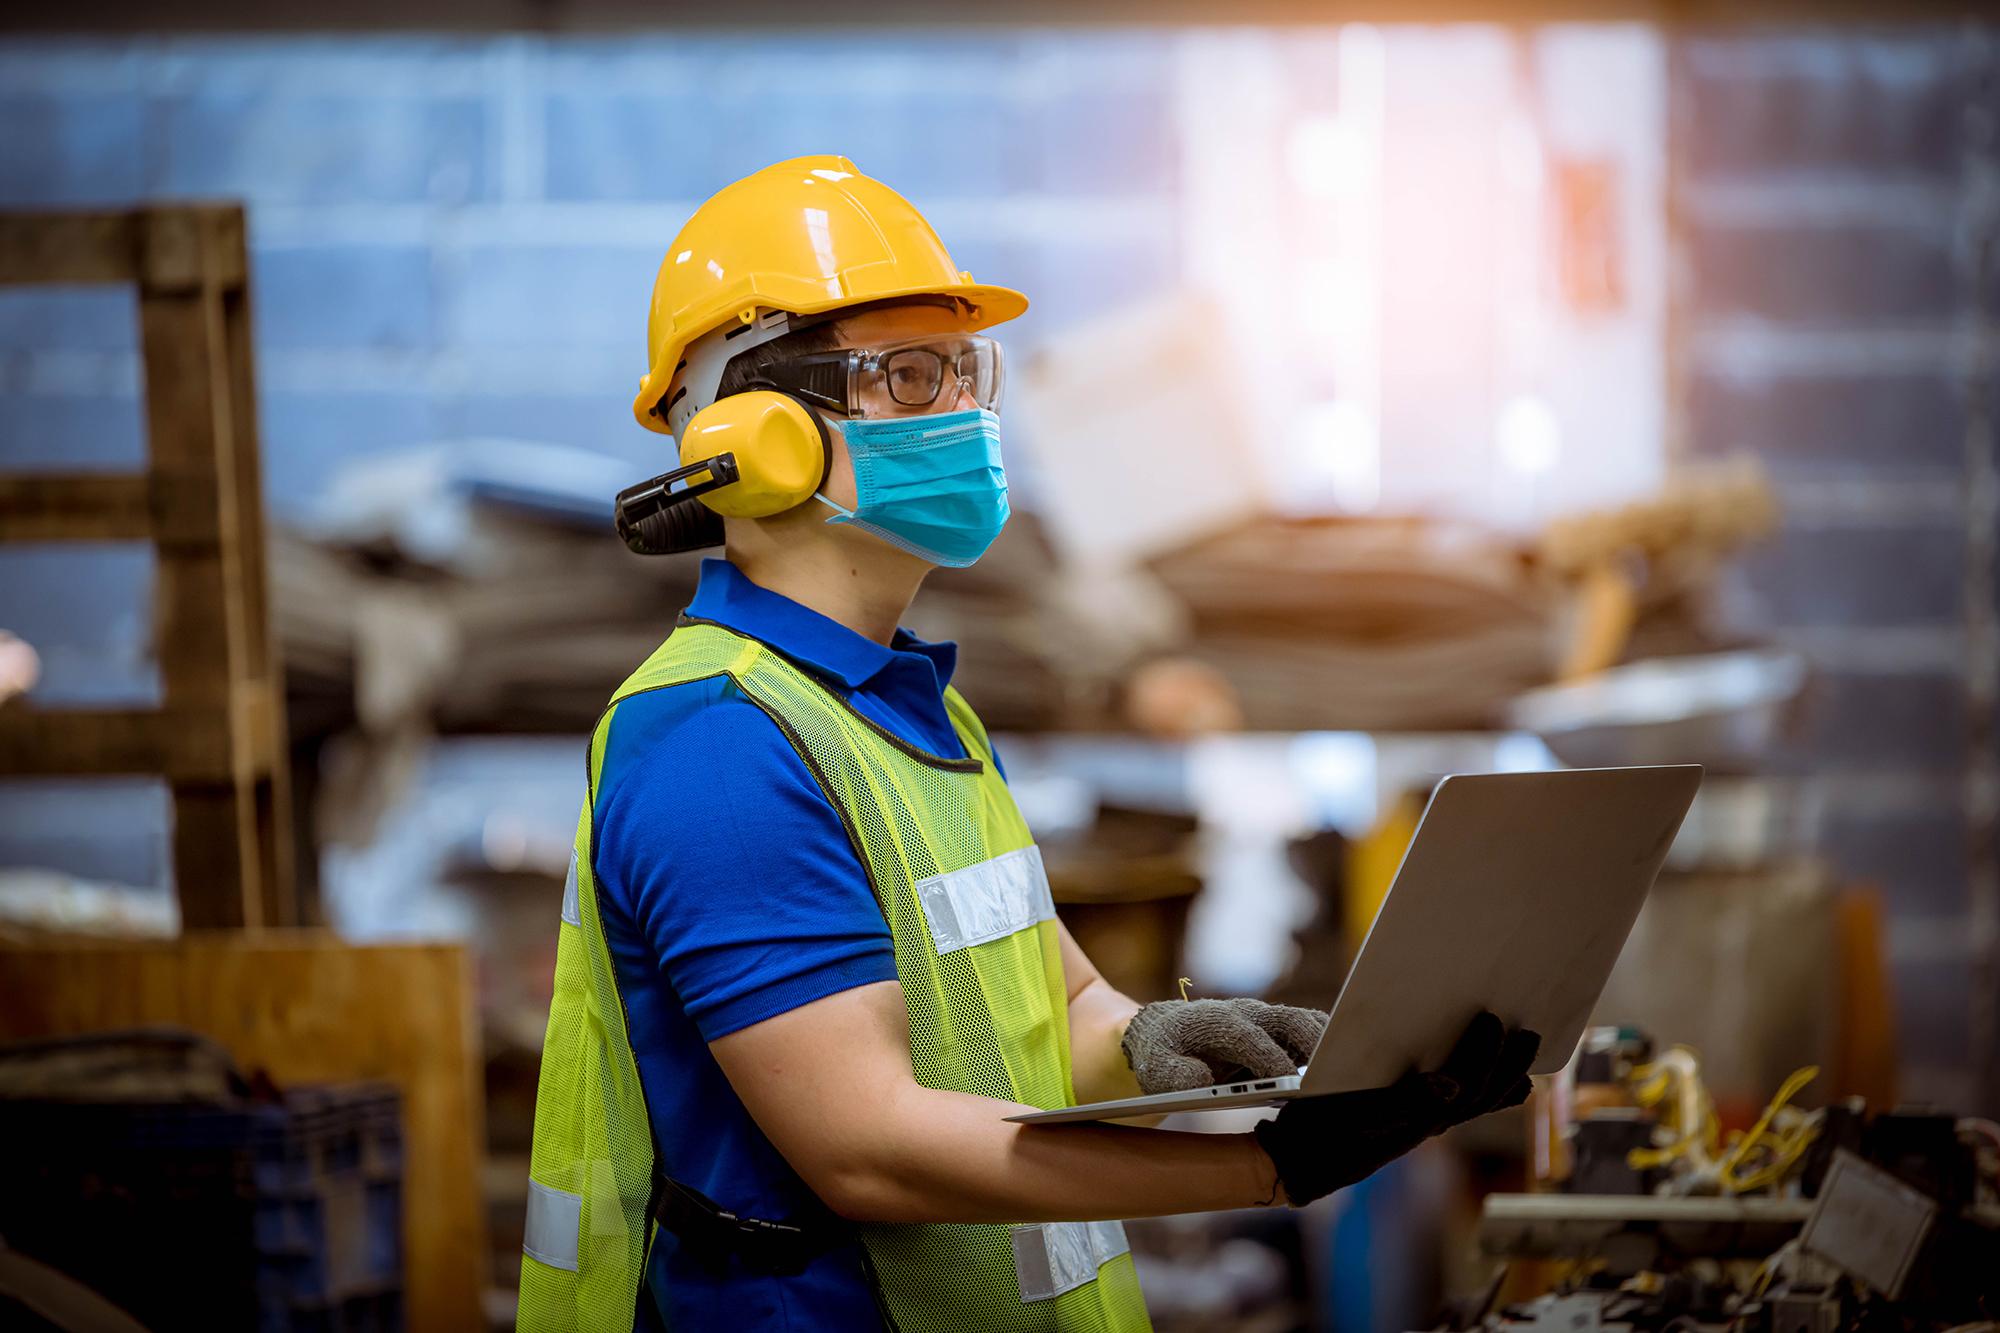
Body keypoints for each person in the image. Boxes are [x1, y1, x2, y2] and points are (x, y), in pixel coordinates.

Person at [517, 155, 1539, 1333]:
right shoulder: (719, 744)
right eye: (907, 376)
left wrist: (1168, 1042)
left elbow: (1054, 1015)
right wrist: (1265, 1168)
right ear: (754, 439)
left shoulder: (915, 708)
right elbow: (871, 1150)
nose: (963, 413)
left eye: (966, 371)